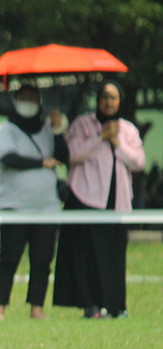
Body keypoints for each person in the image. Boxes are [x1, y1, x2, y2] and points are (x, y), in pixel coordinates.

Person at [54, 81, 145, 319]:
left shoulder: (127, 130)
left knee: (113, 256)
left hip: (117, 202)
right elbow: (72, 154)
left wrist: (117, 143)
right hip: (87, 198)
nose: (109, 102)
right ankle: (91, 305)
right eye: (105, 97)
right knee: (88, 256)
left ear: (120, 101)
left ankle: (116, 306)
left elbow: (138, 162)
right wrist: (100, 137)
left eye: (114, 98)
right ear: (98, 100)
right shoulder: (83, 124)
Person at [0, 85, 69, 320]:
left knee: (42, 259)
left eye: (32, 98)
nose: (28, 102)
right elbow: (8, 158)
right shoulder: (6, 129)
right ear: (15, 101)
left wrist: (58, 131)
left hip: (47, 207)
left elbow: (63, 158)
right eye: (23, 98)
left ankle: (36, 307)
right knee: (9, 259)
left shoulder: (48, 129)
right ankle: (0, 308)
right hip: (15, 206)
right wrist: (40, 163)